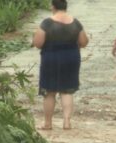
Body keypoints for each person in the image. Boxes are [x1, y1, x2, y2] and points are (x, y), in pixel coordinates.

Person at [33, 0, 89, 130]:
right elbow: (84, 41)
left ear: (53, 7)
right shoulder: (75, 23)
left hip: (51, 58)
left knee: (49, 92)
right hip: (71, 58)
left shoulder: (46, 23)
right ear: (65, 7)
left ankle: (48, 123)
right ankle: (67, 122)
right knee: (67, 90)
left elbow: (38, 43)